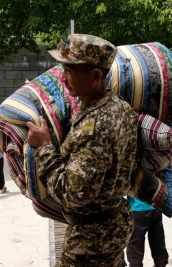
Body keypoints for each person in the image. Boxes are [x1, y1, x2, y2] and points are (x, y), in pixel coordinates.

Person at [26, 34, 139, 266]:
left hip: (91, 242)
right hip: (113, 226)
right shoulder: (120, 107)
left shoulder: (95, 127)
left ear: (95, 76)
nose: (63, 79)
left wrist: (45, 147)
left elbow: (73, 194)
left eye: (69, 71)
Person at [126, 196, 169, 267]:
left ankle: (135, 264)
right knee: (157, 239)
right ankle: (161, 263)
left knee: (136, 242)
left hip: (137, 208)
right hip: (156, 206)